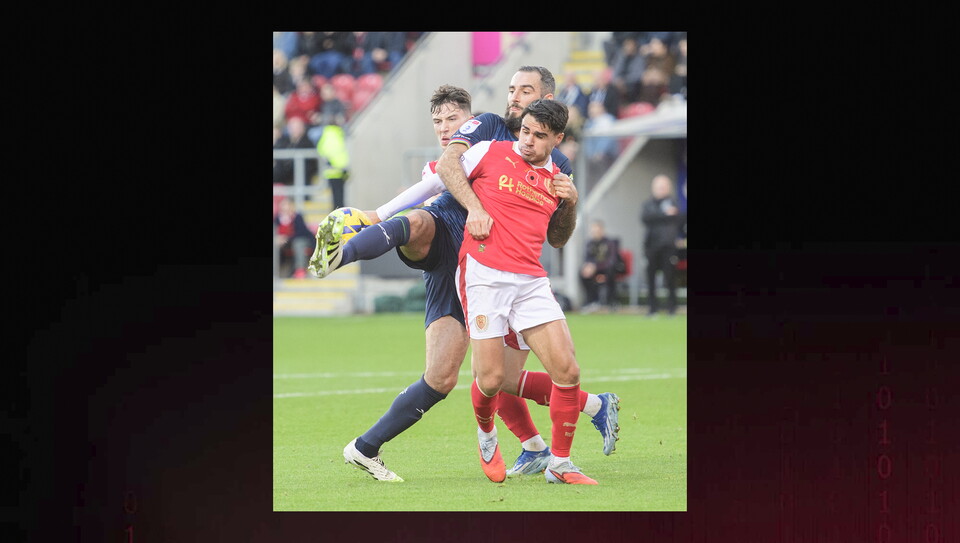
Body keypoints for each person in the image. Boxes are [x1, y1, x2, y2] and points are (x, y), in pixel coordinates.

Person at [313, 74, 619, 480]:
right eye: (511, 90)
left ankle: (544, 442)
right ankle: (343, 254)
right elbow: (441, 172)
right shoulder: (487, 132)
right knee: (420, 222)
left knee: (482, 377)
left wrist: (568, 204)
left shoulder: (554, 164)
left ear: (546, 106)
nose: (514, 98)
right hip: (456, 256)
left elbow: (556, 233)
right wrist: (375, 215)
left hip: (511, 271)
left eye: (524, 92)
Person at [443, 99, 597, 485]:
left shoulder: (558, 179)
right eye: (525, 131)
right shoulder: (490, 151)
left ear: (557, 139)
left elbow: (558, 239)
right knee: (491, 379)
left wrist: (570, 203)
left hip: (530, 279)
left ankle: (559, 465)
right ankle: (486, 434)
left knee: (567, 369)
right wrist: (475, 207)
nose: (527, 141)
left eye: (539, 136)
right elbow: (447, 166)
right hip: (484, 273)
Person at [641, 174, 684, 316]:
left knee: (670, 277)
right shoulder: (648, 204)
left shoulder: (674, 202)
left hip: (668, 247)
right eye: (658, 187)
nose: (661, 189)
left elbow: (677, 218)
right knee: (651, 279)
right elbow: (646, 218)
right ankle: (652, 308)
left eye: (663, 187)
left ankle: (672, 308)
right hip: (651, 246)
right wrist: (664, 214)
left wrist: (660, 216)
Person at [580, 220, 620, 311]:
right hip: (593, 271)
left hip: (607, 270)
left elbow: (612, 260)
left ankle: (612, 302)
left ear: (602, 230)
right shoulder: (589, 243)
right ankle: (591, 301)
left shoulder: (610, 243)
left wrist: (596, 267)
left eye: (597, 231)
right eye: (593, 231)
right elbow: (587, 258)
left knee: (611, 271)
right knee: (582, 273)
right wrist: (588, 267)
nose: (595, 233)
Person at [274, 197, 314, 278]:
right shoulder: (277, 219)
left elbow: (301, 232)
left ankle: (300, 269)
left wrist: (286, 238)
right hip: (284, 243)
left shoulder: (297, 217)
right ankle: (276, 270)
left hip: (300, 240)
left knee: (298, 244)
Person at [273, 116, 318, 186]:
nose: (294, 130)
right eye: (292, 128)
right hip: (285, 170)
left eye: (297, 128)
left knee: (303, 174)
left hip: (302, 172)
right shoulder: (284, 141)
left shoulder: (307, 142)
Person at [315, 120, 349, 209]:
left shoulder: (327, 135)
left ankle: (337, 213)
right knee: (339, 198)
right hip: (338, 170)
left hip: (331, 171)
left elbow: (320, 149)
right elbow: (340, 154)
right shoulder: (337, 135)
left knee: (336, 197)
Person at [610, 36, 647, 104]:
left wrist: (624, 81)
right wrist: (617, 80)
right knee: (611, 87)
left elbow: (637, 75)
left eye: (630, 45)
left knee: (633, 87)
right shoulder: (621, 57)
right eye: (626, 45)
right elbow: (615, 72)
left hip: (632, 83)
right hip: (620, 82)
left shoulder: (639, 58)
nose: (628, 47)